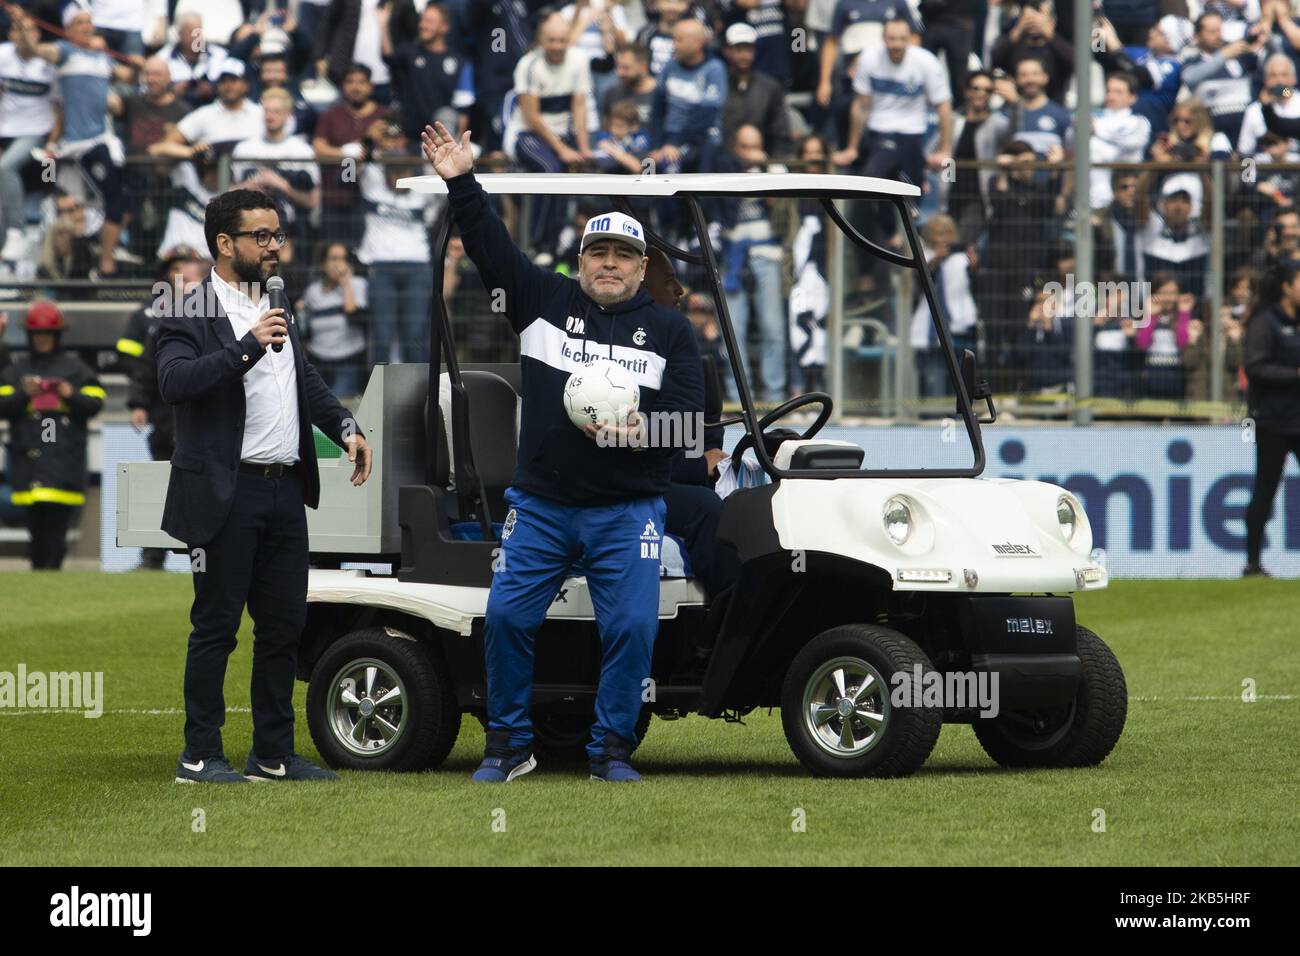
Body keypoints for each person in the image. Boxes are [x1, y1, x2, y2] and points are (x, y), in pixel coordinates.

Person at [421, 119, 703, 784]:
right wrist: (463, 181)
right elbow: (491, 248)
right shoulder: (542, 301)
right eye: (597, 252)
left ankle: (609, 750)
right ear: (578, 262)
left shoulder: (670, 331)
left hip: (627, 510)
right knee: (508, 618)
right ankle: (509, 745)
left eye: (623, 255)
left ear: (642, 267)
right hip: (541, 507)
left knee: (633, 628)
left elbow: (690, 424)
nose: (609, 263)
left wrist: (640, 433)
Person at [155, 188, 373, 783]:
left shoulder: (278, 305)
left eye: (277, 235)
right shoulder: (188, 308)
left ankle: (272, 754)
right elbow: (175, 382)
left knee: (284, 628)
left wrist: (346, 426)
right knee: (217, 628)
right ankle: (199, 755)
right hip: (227, 493)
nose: (274, 247)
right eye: (261, 236)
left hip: (283, 492)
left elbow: (304, 377)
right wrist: (248, 346)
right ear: (225, 244)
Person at [120, 251, 211, 569]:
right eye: (181, 280)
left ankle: (204, 558)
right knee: (159, 487)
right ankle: (152, 556)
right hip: (167, 419)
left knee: (205, 492)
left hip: (204, 422)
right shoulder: (162, 321)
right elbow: (146, 367)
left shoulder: (219, 319)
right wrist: (138, 404)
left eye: (191, 281)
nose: (185, 286)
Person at [0, 301, 105, 570]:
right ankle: (41, 569)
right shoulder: (17, 370)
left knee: (57, 527)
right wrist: (25, 393)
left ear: (57, 335)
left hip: (63, 456)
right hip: (29, 456)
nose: (42, 339)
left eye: (47, 334)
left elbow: (95, 402)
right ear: (30, 336)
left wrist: (70, 394)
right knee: (36, 526)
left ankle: (51, 569)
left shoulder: (76, 369)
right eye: (37, 335)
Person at [1242, 261, 1300, 577]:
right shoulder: (1265, 323)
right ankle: (1252, 562)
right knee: (1264, 491)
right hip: (1273, 423)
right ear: (1287, 286)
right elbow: (1255, 366)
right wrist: (1295, 375)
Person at [298, 242, 369, 399]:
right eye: (334, 258)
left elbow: (356, 316)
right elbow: (304, 324)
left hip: (347, 360)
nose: (339, 264)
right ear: (324, 264)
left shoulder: (358, 285)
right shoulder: (313, 291)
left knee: (341, 406)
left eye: (343, 259)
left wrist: (346, 285)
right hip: (318, 359)